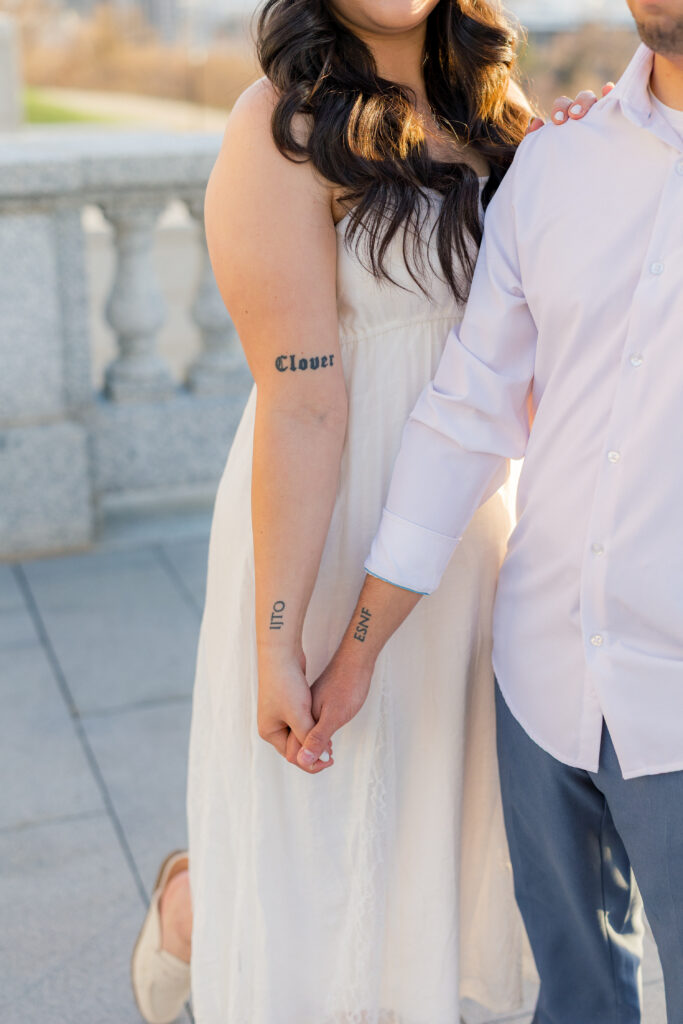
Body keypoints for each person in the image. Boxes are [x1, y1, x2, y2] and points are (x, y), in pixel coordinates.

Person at [130, 2, 606, 1022]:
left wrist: (585, 149)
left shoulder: (497, 114)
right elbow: (302, 405)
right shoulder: (282, 126)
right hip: (332, 519)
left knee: (432, 827)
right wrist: (278, 634)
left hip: (472, 528)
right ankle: (191, 917)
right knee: (317, 833)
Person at [297, 2, 683, 1022]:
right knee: (573, 998)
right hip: (541, 677)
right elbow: (468, 413)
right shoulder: (557, 162)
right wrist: (358, 649)